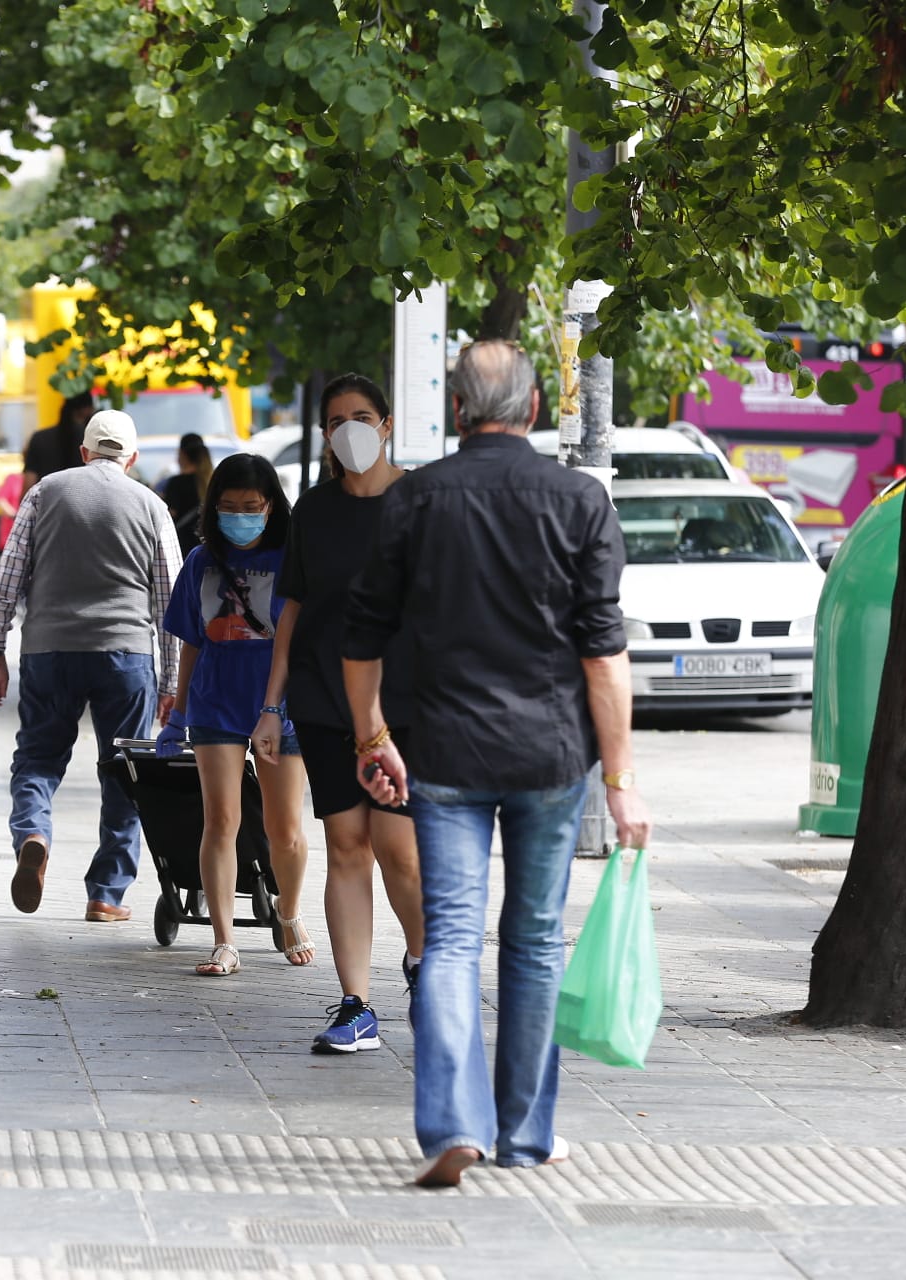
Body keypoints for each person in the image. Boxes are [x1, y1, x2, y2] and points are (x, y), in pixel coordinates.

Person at [342, 340, 651, 1189]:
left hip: (439, 752)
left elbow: (360, 635)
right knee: (535, 942)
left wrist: (372, 738)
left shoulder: (418, 499)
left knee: (448, 940)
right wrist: (620, 781)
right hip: (551, 755)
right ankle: (524, 1132)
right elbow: (603, 653)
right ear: (537, 405)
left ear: (454, 408)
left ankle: (452, 1125)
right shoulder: (578, 501)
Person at [256, 374, 423, 1050]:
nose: (349, 429)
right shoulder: (314, 512)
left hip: (406, 705)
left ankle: (423, 964)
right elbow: (291, 611)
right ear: (323, 434)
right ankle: (355, 1003)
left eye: (362, 416)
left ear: (386, 424)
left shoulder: (419, 503)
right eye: (336, 420)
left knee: (399, 850)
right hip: (324, 702)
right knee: (346, 846)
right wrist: (271, 705)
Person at [0, 410, 181, 924]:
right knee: (125, 774)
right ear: (132, 458)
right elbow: (170, 602)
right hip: (126, 655)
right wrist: (174, 679)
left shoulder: (45, 492)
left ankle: (32, 832)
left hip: (49, 650)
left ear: (85, 452)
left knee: (38, 759)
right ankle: (107, 894)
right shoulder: (152, 505)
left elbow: (9, 577)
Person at [161, 452, 312, 977]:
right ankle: (224, 941)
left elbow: (302, 641)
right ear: (213, 507)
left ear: (271, 506)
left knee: (284, 829)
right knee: (221, 820)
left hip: (282, 707)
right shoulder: (201, 561)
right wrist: (178, 712)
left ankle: (288, 914)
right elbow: (191, 645)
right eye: (229, 507)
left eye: (251, 507)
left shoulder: (293, 558)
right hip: (215, 703)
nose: (240, 516)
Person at [20, 391, 96, 490]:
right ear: (87, 410)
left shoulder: (40, 438)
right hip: (82, 503)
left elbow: (29, 484)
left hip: (47, 503)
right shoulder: (91, 441)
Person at [158, 432, 213, 556]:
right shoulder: (212, 481)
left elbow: (170, 515)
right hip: (206, 544)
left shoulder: (176, 483)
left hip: (182, 546)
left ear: (182, 454)